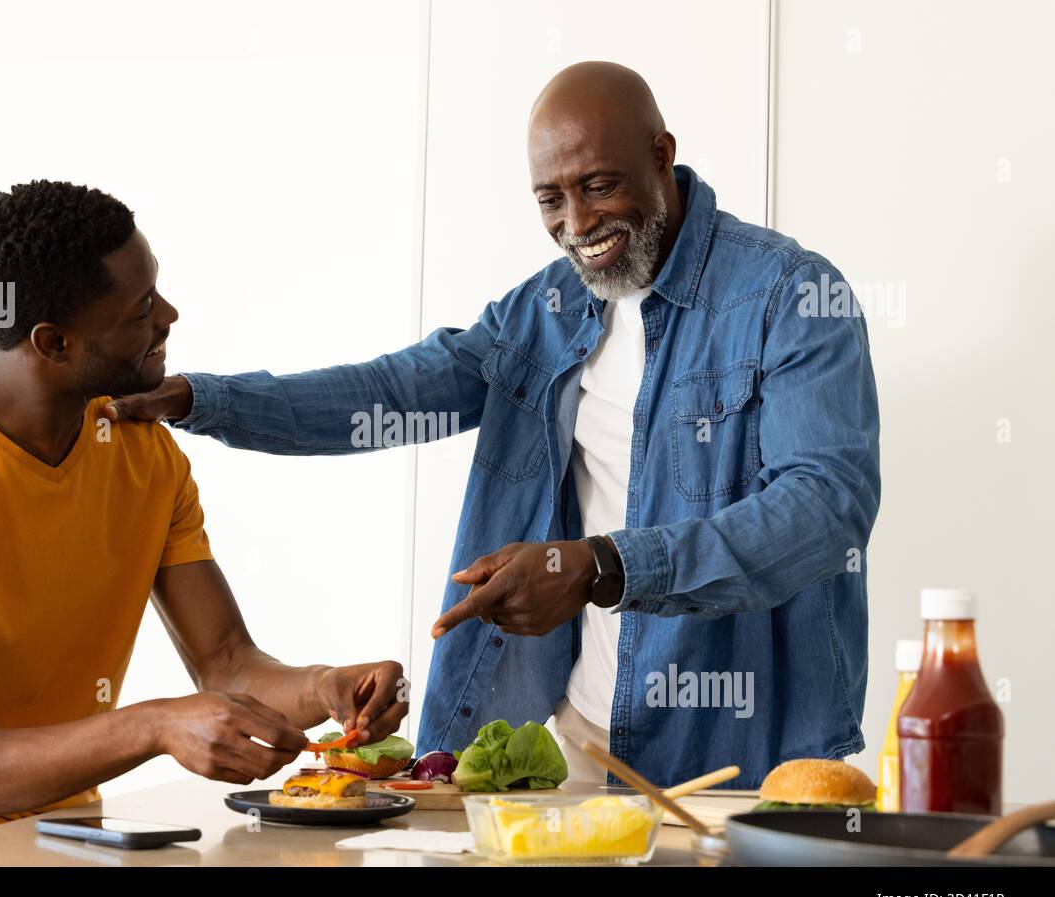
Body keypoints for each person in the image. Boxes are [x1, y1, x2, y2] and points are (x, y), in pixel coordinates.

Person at [105, 62, 881, 789]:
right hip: (569, 742)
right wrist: (198, 401)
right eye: (551, 199)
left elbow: (825, 506)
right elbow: (390, 394)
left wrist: (603, 566)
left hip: (741, 754)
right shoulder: (545, 311)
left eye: (600, 185)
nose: (578, 223)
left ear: (661, 155)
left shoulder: (790, 295)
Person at [0, 180, 405, 863]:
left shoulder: (140, 447)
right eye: (141, 309)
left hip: (63, 832)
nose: (170, 315)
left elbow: (227, 663)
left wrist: (326, 688)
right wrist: (153, 725)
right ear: (54, 341)